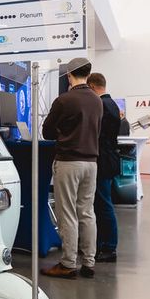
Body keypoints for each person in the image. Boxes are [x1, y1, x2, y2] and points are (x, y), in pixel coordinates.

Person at [40, 58, 102, 279]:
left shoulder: (64, 100)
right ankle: (89, 263)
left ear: (69, 76)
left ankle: (68, 263)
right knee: (87, 212)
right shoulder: (97, 100)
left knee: (67, 213)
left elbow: (46, 133)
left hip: (68, 162)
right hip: (91, 163)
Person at [87, 73, 121, 262]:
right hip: (107, 159)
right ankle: (102, 244)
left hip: (103, 161)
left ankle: (109, 247)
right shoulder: (111, 104)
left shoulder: (102, 106)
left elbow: (98, 135)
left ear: (91, 86)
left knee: (103, 204)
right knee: (101, 204)